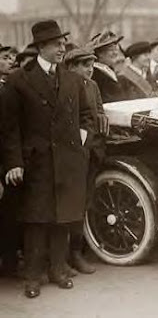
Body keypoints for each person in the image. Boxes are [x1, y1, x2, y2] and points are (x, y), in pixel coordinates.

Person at [1, 20, 94, 298]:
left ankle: (57, 270)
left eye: (63, 43)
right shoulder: (19, 79)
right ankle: (32, 276)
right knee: (36, 220)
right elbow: (9, 128)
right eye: (57, 44)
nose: (62, 49)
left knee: (61, 218)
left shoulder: (72, 79)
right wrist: (14, 162)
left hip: (67, 160)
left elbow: (87, 115)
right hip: (36, 163)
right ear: (41, 47)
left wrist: (80, 141)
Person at [63, 48, 110, 275]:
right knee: (68, 206)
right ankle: (66, 255)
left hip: (92, 152)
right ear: (71, 67)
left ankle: (77, 252)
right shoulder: (64, 86)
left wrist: (97, 145)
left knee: (84, 203)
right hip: (72, 154)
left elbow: (99, 115)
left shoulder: (93, 86)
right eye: (84, 65)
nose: (90, 69)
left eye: (91, 65)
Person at [0, 43, 22, 278]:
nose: (10, 62)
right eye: (5, 58)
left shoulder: (10, 88)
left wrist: (14, 163)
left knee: (10, 214)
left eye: (11, 58)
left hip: (9, 163)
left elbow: (12, 131)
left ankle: (9, 262)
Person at [89, 31, 126, 103]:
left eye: (116, 49)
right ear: (100, 53)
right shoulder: (95, 74)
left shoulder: (108, 70)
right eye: (111, 50)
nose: (115, 53)